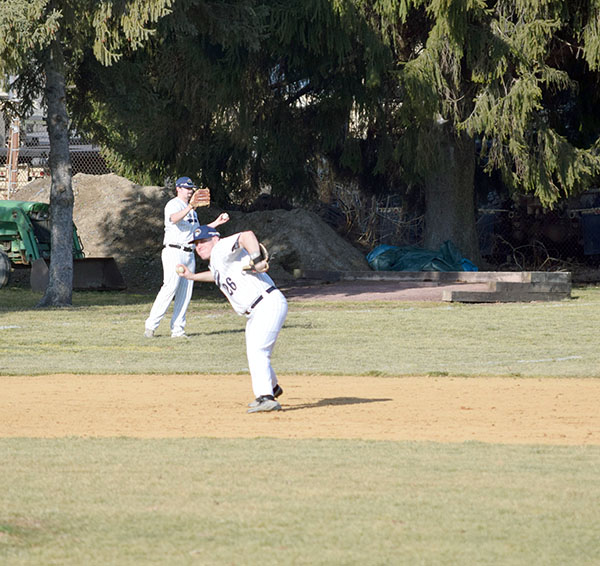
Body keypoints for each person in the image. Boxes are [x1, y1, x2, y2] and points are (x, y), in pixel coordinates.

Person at [177, 225, 288, 413]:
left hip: (266, 303)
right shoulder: (218, 260)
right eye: (196, 244)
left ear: (215, 238)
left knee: (257, 351)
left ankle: (266, 397)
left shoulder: (221, 247)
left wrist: (257, 259)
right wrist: (192, 276)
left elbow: (247, 235)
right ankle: (273, 388)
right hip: (257, 309)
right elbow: (216, 275)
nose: (199, 246)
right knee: (254, 351)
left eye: (203, 241)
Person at [144, 177, 229, 338]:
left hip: (189, 251)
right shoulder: (174, 204)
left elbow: (197, 232)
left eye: (191, 188)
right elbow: (174, 219)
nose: (190, 191)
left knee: (185, 291)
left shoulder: (193, 211)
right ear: (178, 188)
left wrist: (217, 222)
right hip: (174, 250)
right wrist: (190, 206)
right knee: (170, 287)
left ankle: (178, 330)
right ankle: (151, 326)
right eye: (186, 188)